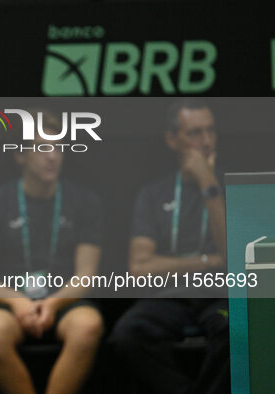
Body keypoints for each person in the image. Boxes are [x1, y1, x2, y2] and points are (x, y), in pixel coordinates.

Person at [0, 112, 104, 394]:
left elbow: (87, 274)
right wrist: (19, 302)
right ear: (20, 156)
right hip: (11, 301)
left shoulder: (84, 201)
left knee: (88, 325)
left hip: (64, 302)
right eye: (43, 147)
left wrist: (52, 304)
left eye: (58, 147)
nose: (52, 156)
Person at [109, 99, 230, 394]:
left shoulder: (228, 187)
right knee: (126, 337)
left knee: (238, 332)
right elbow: (140, 268)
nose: (206, 141)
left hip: (218, 294)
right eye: (195, 133)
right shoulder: (153, 193)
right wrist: (208, 261)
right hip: (170, 295)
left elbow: (232, 257)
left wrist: (208, 184)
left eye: (211, 132)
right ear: (172, 140)